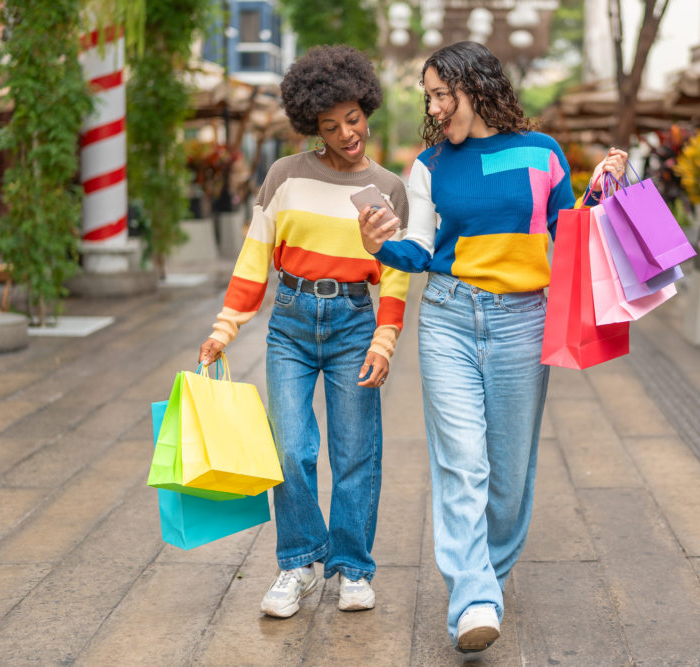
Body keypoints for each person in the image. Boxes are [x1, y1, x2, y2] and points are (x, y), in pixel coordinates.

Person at [357, 41, 625, 652]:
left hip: (523, 322)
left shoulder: (542, 153)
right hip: (449, 318)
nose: (432, 106)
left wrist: (602, 192)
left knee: (508, 477)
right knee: (461, 463)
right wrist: (379, 246)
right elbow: (419, 251)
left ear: (471, 85)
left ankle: (487, 582)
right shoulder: (429, 166)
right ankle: (474, 596)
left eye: (438, 94)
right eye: (426, 97)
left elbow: (571, 232)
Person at [198, 45, 409, 619]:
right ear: (311, 125)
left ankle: (352, 568)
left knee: (355, 453)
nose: (347, 133)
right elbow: (255, 255)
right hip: (289, 322)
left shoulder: (390, 189)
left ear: (367, 108)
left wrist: (384, 340)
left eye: (354, 119)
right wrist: (226, 328)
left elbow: (395, 276)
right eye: (330, 125)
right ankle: (298, 563)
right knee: (290, 450)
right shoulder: (284, 175)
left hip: (352, 322)